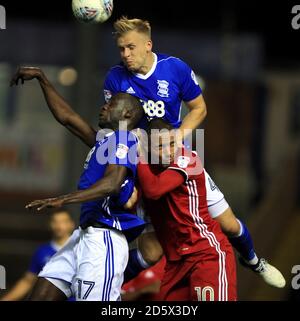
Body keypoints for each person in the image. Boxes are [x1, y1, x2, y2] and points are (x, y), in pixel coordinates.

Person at [103, 16, 286, 288]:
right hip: (139, 163)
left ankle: (254, 261)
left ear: (148, 45)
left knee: (229, 224)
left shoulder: (174, 69)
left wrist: (179, 135)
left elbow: (199, 108)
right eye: (121, 49)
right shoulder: (115, 77)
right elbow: (113, 124)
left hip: (175, 160)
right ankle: (105, 283)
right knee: (152, 250)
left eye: (130, 47)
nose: (125, 54)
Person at [10, 66, 146, 301]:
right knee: (42, 294)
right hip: (83, 236)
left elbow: (112, 183)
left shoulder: (125, 139)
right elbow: (68, 118)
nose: (104, 106)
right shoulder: (105, 140)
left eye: (112, 104)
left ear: (126, 115)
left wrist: (63, 199)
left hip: (105, 241)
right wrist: (43, 79)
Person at [136, 119, 237, 301]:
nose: (168, 152)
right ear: (149, 148)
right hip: (176, 262)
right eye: (160, 147)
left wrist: (140, 154)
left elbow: (153, 190)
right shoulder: (148, 168)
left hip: (205, 254)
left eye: (172, 143)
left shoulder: (187, 159)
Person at [0, 209, 75, 301]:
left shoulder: (82, 249)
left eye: (63, 222)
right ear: (50, 224)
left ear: (71, 224)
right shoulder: (42, 251)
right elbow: (28, 281)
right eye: (55, 221)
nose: (59, 226)